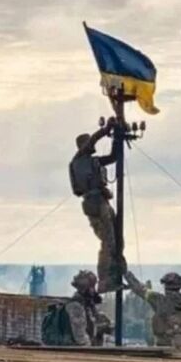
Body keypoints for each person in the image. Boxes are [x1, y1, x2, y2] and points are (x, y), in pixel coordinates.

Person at [69, 119, 127, 293]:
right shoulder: (78, 160)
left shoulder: (92, 161)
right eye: (88, 143)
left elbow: (112, 157)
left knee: (117, 240)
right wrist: (106, 129)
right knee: (107, 241)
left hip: (102, 201)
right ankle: (104, 281)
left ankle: (117, 275)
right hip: (93, 203)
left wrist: (117, 138)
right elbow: (93, 140)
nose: (92, 146)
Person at [124, 270, 181, 353]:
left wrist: (127, 274)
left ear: (165, 287)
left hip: (167, 349)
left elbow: (140, 290)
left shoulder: (159, 300)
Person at [64, 270, 112, 346]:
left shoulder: (87, 306)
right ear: (84, 288)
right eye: (92, 287)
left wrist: (100, 329)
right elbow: (81, 339)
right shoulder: (76, 306)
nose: (94, 290)